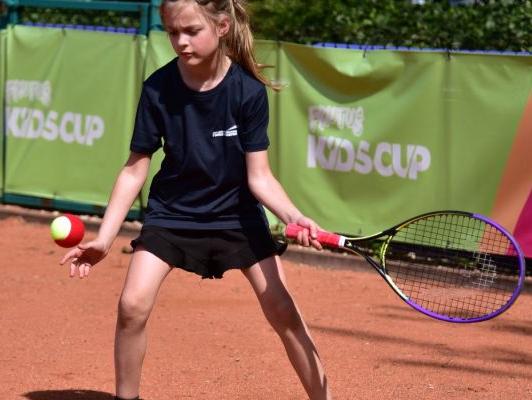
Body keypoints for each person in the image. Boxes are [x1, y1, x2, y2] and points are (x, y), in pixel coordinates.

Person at [59, 0, 332, 399]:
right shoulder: (158, 88)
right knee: (131, 305)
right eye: (173, 32)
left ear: (223, 26)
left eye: (191, 31)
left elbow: (260, 178)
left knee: (282, 309)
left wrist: (296, 216)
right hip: (173, 214)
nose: (181, 42)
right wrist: (105, 236)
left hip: (236, 216)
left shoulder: (248, 93)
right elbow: (136, 167)